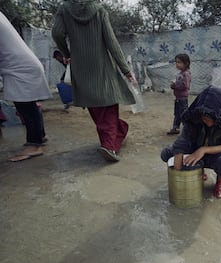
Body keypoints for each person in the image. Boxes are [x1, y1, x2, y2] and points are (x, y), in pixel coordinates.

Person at [52, 0, 137, 162]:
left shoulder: (64, 9)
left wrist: (67, 53)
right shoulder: (99, 11)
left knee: (97, 109)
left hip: (81, 69)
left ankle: (115, 136)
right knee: (108, 107)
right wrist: (126, 70)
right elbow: (112, 43)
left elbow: (56, 33)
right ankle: (110, 146)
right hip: (103, 69)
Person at [161, 86, 221, 199]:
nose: (209, 123)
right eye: (205, 119)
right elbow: (182, 143)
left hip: (215, 155)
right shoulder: (193, 117)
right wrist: (179, 175)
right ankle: (198, 172)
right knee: (167, 153)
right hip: (194, 154)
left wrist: (203, 150)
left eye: (212, 119)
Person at [0, 11, 51, 162]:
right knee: (29, 105)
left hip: (20, 69)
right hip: (24, 65)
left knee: (25, 107)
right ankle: (40, 136)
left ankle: (34, 145)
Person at [167, 53, 191, 135]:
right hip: (178, 98)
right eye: (176, 62)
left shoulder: (186, 74)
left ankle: (187, 129)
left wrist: (175, 86)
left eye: (179, 62)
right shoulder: (180, 73)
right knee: (177, 114)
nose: (177, 64)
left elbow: (185, 86)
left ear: (186, 63)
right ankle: (175, 128)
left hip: (183, 99)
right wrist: (174, 86)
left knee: (184, 114)